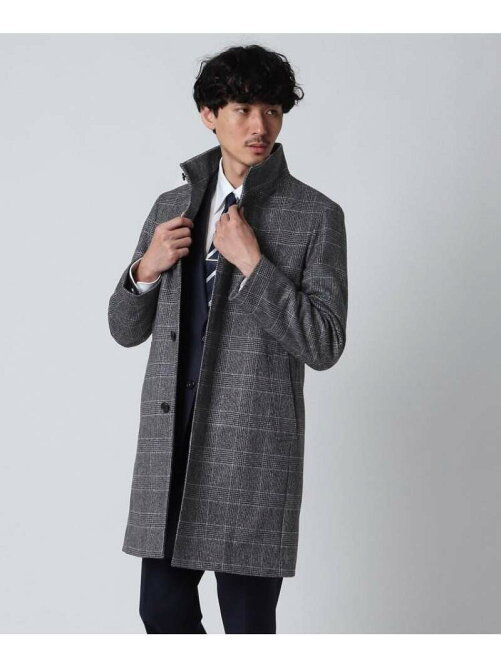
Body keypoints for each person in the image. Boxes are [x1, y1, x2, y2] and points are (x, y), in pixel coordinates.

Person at [107, 43, 348, 633]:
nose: (259, 126)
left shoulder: (315, 216)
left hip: (252, 458)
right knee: (160, 612)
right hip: (170, 451)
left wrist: (254, 265)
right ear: (209, 115)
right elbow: (123, 328)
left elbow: (324, 342)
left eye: (272, 110)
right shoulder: (170, 208)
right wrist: (145, 269)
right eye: (242, 109)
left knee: (247, 628)